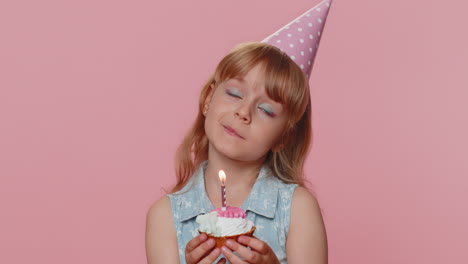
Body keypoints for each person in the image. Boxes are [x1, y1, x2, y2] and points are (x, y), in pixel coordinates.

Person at [146, 1, 332, 263]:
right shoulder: (166, 215)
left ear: (284, 137)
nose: (244, 112)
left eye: (266, 110)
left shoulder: (297, 209)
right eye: (234, 93)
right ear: (209, 98)